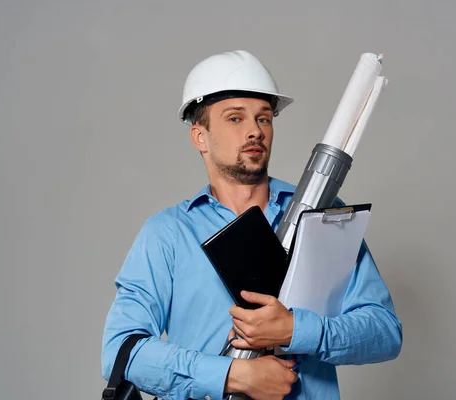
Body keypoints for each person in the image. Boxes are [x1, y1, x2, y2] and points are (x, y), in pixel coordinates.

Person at [101, 50, 402, 400]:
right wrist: (233, 375)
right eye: (234, 119)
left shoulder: (321, 214)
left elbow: (385, 332)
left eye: (264, 119)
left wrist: (295, 330)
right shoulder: (167, 233)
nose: (254, 131)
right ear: (200, 136)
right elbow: (121, 351)